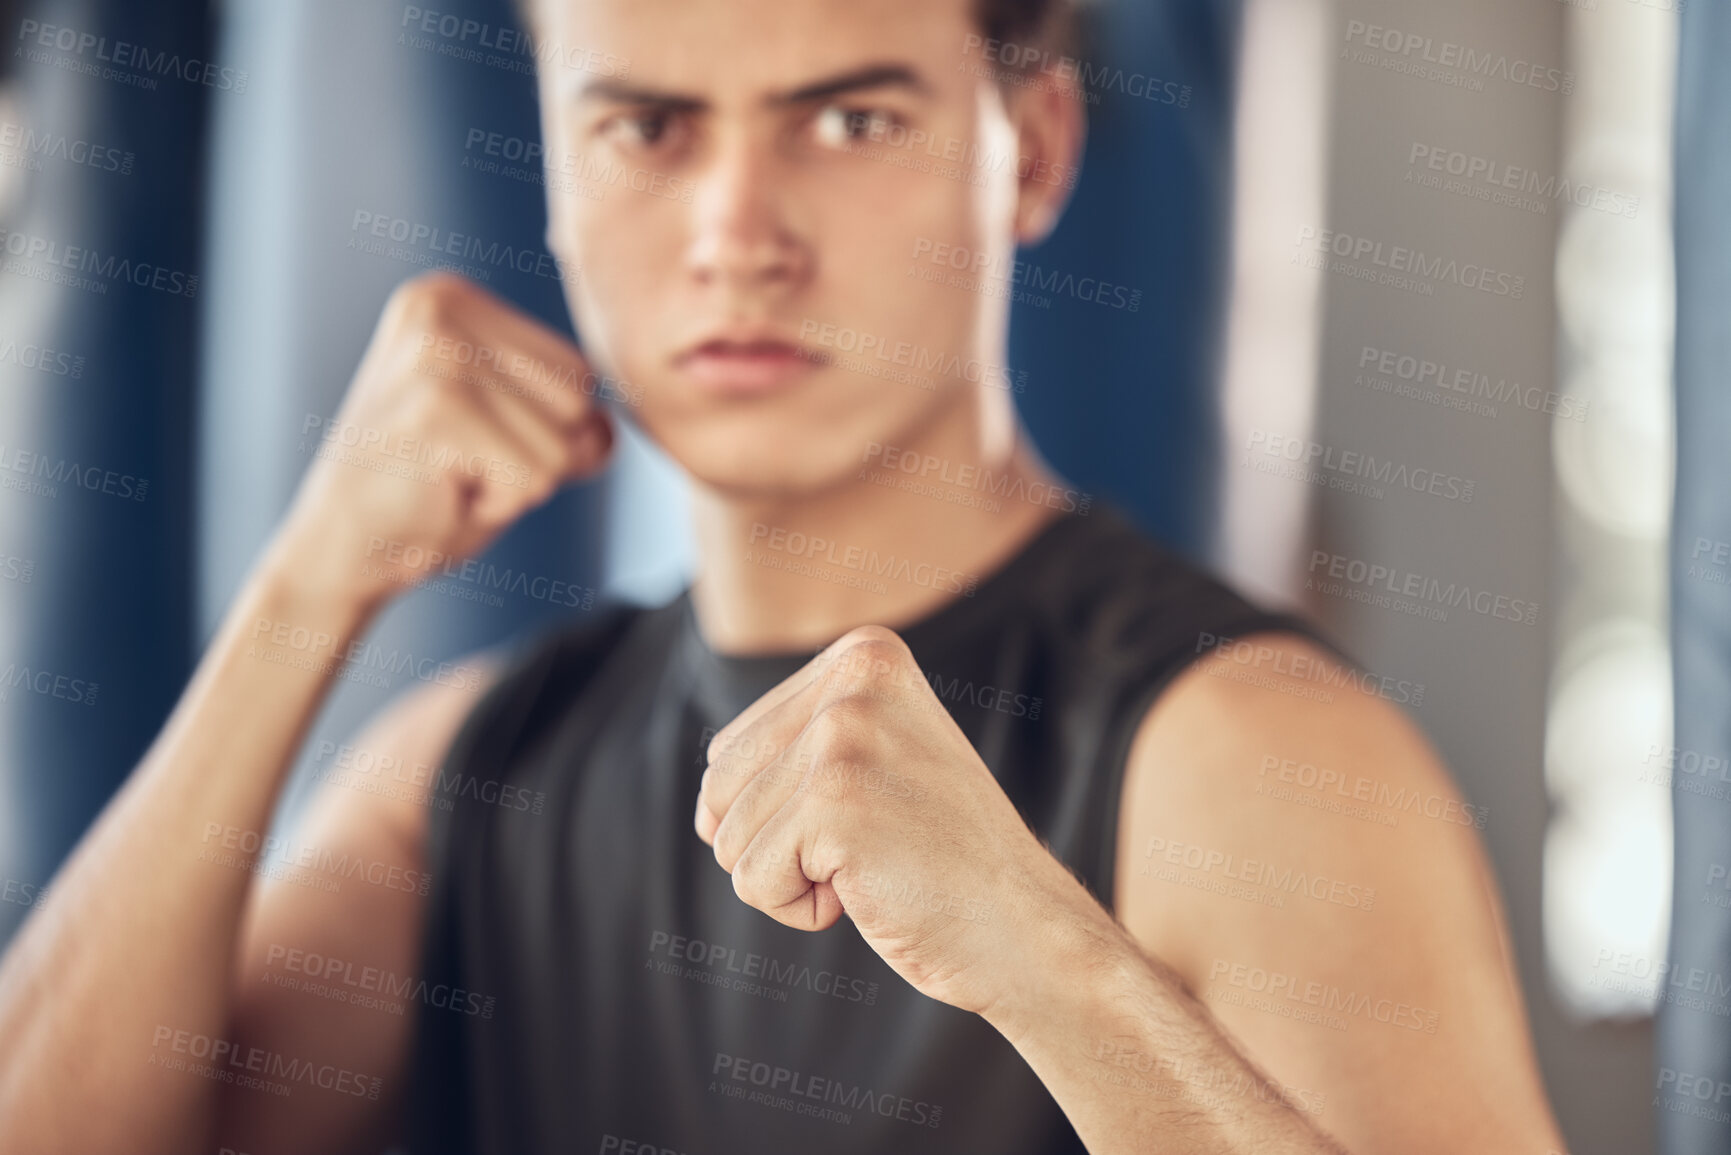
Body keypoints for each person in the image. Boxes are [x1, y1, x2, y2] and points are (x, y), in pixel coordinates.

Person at [0, 0, 1569, 1151]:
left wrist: (1053, 969)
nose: (736, 234)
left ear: (1031, 152)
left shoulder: (1251, 757)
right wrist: (307, 594)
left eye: (850, 120)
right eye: (649, 129)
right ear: (552, 166)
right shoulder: (472, 772)